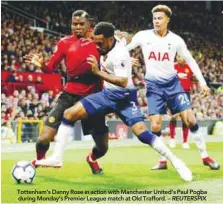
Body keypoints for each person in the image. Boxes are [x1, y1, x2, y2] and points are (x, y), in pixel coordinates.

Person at [36, 22, 192, 182]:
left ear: (110, 40)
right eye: (95, 42)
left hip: (125, 97)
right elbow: (124, 36)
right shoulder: (111, 40)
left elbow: (123, 81)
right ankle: (57, 157)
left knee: (142, 134)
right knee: (69, 113)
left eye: (100, 43)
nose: (97, 47)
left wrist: (98, 72)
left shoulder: (119, 55)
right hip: (107, 95)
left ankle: (176, 162)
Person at [126, 5, 220, 170]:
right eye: (154, 18)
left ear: (167, 20)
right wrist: (127, 59)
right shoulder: (143, 36)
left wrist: (203, 83)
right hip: (154, 87)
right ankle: (162, 160)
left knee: (190, 119)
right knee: (155, 125)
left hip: (173, 85)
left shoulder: (176, 40)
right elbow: (124, 50)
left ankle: (205, 156)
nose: (156, 21)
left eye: (160, 18)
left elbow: (191, 61)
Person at [24, 10, 109, 174]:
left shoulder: (98, 41)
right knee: (43, 138)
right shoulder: (64, 43)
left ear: (88, 25)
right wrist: (42, 64)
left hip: (93, 97)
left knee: (102, 147)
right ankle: (39, 163)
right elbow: (50, 68)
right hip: (69, 94)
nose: (77, 27)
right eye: (74, 24)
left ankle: (91, 159)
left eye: (81, 24)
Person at [169, 55, 194, 149]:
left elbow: (192, 79)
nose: (180, 58)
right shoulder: (172, 67)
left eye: (182, 57)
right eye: (178, 56)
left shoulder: (189, 68)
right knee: (174, 116)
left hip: (185, 93)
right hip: (174, 93)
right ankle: (172, 139)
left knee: (185, 118)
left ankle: (185, 141)